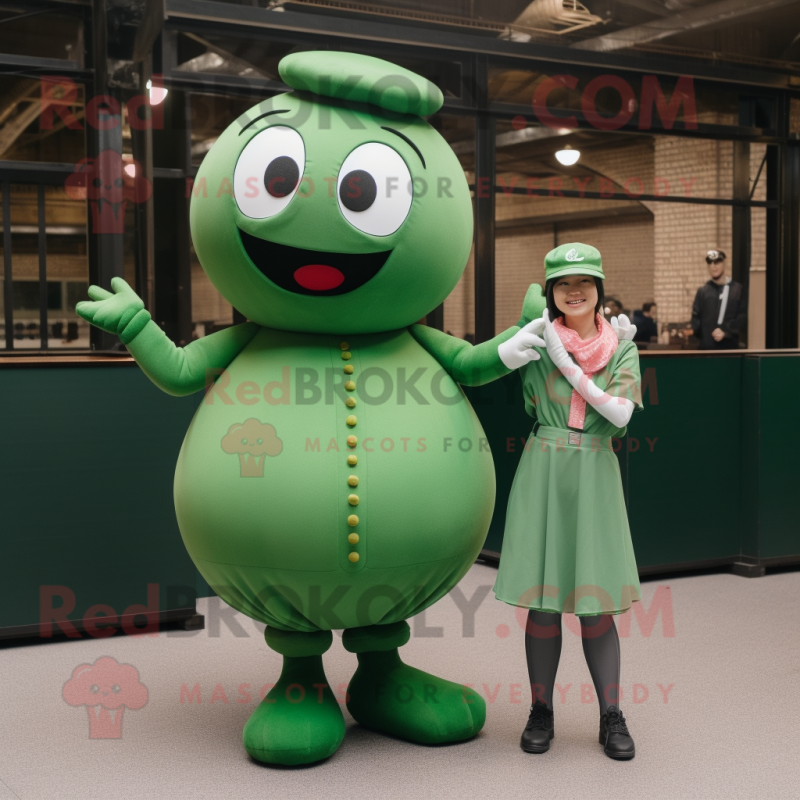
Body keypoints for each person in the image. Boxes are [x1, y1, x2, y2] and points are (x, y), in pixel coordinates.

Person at [494, 242, 643, 761]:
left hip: (596, 471)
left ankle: (611, 715)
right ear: (552, 293)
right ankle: (541, 711)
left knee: (596, 603)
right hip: (545, 467)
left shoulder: (622, 346)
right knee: (543, 601)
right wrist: (532, 335)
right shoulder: (537, 341)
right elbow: (493, 357)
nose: (573, 291)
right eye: (562, 284)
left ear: (599, 288)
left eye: (584, 281)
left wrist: (573, 363)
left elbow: (621, 413)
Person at [691, 250, 746, 349]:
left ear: (724, 263)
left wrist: (726, 332)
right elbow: (696, 319)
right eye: (710, 263)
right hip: (707, 349)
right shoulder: (703, 292)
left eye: (717, 262)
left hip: (730, 349)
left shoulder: (737, 290)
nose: (713, 266)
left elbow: (741, 317)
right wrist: (704, 336)